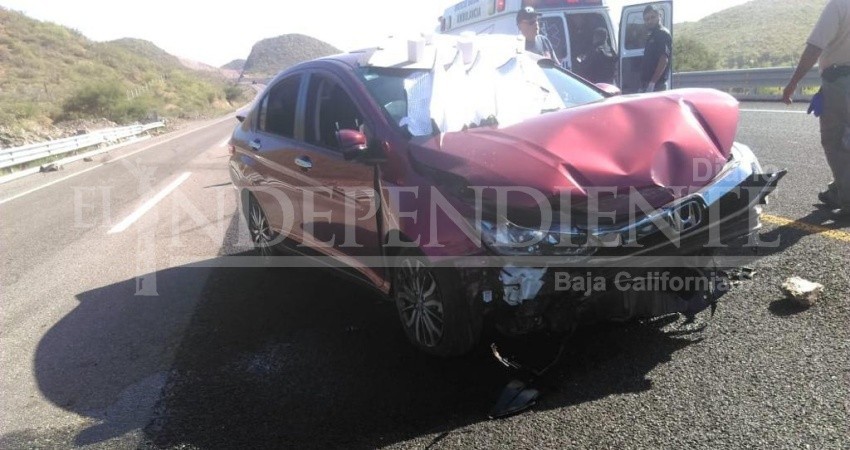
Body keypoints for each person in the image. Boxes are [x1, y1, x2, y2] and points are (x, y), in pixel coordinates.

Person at [783, 0, 850, 217]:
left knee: (836, 141)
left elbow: (815, 47)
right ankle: (837, 191)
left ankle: (847, 199)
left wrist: (793, 83)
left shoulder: (840, 5)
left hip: (841, 80)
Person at [640, 4, 672, 92]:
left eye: (652, 17)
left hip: (657, 85)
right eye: (647, 19)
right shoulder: (652, 34)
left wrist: (652, 83)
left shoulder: (662, 34)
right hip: (648, 83)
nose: (650, 21)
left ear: (659, 16)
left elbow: (663, 60)